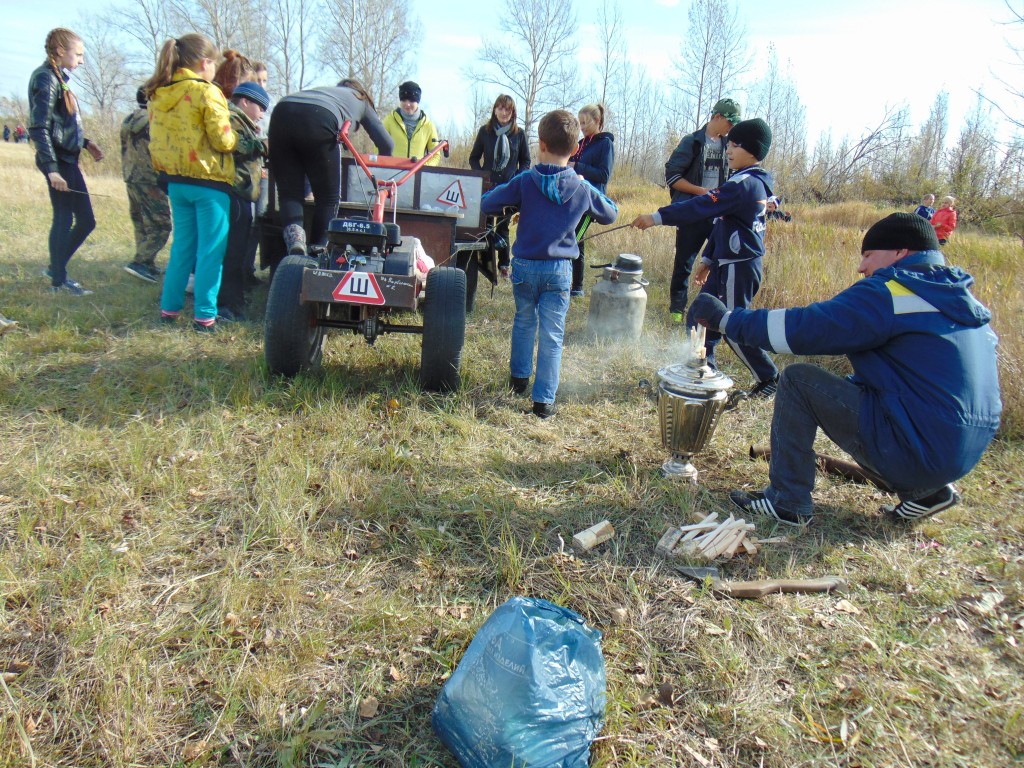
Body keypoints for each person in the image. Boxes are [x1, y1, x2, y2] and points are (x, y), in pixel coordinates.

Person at [690, 212, 1001, 526]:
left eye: (868, 255)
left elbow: (804, 328)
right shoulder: (959, 301)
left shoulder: (892, 292)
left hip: (915, 448)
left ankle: (787, 501)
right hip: (962, 454)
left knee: (798, 380)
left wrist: (726, 320)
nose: (861, 267)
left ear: (900, 252)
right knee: (857, 388)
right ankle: (926, 492)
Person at [481, 109, 618, 419]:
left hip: (525, 267)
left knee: (523, 321)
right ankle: (543, 402)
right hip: (559, 271)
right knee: (553, 334)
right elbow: (611, 212)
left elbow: (488, 203)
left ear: (540, 144)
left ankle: (519, 379)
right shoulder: (581, 187)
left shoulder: (525, 181)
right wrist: (584, 183)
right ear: (575, 149)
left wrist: (514, 199)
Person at [633, 118, 779, 398]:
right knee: (700, 315)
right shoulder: (741, 181)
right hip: (725, 264)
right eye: (729, 144)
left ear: (752, 151)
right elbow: (724, 224)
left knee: (733, 324)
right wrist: (708, 260)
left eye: (735, 145)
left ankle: (769, 377)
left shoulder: (745, 185)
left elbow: (701, 206)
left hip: (739, 267)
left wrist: (658, 217)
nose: (728, 150)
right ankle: (702, 370)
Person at [145, 33, 238, 331]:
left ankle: (169, 310)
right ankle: (205, 317)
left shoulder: (159, 93)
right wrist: (238, 137)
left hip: (175, 182)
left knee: (182, 248)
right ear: (205, 63)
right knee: (210, 252)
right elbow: (223, 141)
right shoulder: (206, 92)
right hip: (209, 183)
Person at [269, 79, 393, 256]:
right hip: (320, 117)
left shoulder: (326, 92)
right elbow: (387, 144)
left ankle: (296, 242)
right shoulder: (361, 99)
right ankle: (317, 250)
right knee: (328, 198)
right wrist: (382, 171)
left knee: (289, 193)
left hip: (281, 112)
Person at [29, 27, 104, 296]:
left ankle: (56, 269)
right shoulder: (45, 78)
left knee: (86, 221)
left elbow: (60, 123)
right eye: (79, 54)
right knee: (64, 216)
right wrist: (52, 170)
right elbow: (39, 127)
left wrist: (85, 142)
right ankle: (58, 281)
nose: (82, 60)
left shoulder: (58, 77)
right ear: (61, 51)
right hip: (58, 162)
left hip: (67, 159)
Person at [664, 97, 741, 322]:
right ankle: (676, 312)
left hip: (718, 215)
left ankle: (709, 314)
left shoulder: (730, 146)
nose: (731, 127)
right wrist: (702, 193)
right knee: (684, 263)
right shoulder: (693, 142)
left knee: (718, 263)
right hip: (693, 212)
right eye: (729, 122)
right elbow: (673, 177)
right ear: (717, 116)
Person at [467, 94, 531, 302]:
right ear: (494, 110)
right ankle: (485, 264)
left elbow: (526, 161)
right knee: (485, 227)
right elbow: (473, 158)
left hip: (509, 188)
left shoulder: (519, 134)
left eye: (508, 110)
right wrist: (481, 175)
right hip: (487, 188)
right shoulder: (485, 132)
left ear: (513, 113)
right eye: (500, 108)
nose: (504, 113)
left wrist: (518, 179)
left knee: (503, 228)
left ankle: (504, 265)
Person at [216, 80, 269, 321]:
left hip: (240, 193)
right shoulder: (232, 118)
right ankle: (227, 305)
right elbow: (234, 147)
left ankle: (234, 300)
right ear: (245, 101)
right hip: (234, 191)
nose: (262, 114)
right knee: (232, 252)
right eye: (261, 108)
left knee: (237, 251)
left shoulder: (241, 121)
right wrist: (262, 146)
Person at [121, 87, 172, 283]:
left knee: (141, 223)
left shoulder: (129, 119)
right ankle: (140, 262)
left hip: (131, 176)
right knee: (161, 225)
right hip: (150, 178)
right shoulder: (154, 120)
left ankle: (146, 263)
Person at [568, 103, 615, 297]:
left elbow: (604, 175)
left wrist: (577, 166)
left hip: (592, 201)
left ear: (597, 121)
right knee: (572, 237)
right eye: (579, 123)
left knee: (574, 239)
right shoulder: (581, 143)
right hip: (575, 198)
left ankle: (576, 287)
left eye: (585, 123)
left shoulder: (605, 144)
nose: (582, 127)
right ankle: (574, 285)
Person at [383, 81, 440, 165]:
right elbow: (379, 147)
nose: (407, 104)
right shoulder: (389, 121)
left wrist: (423, 167)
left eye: (411, 100)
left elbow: (435, 155)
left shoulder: (429, 125)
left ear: (417, 101)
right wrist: (387, 166)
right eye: (404, 100)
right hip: (393, 172)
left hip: (418, 172)